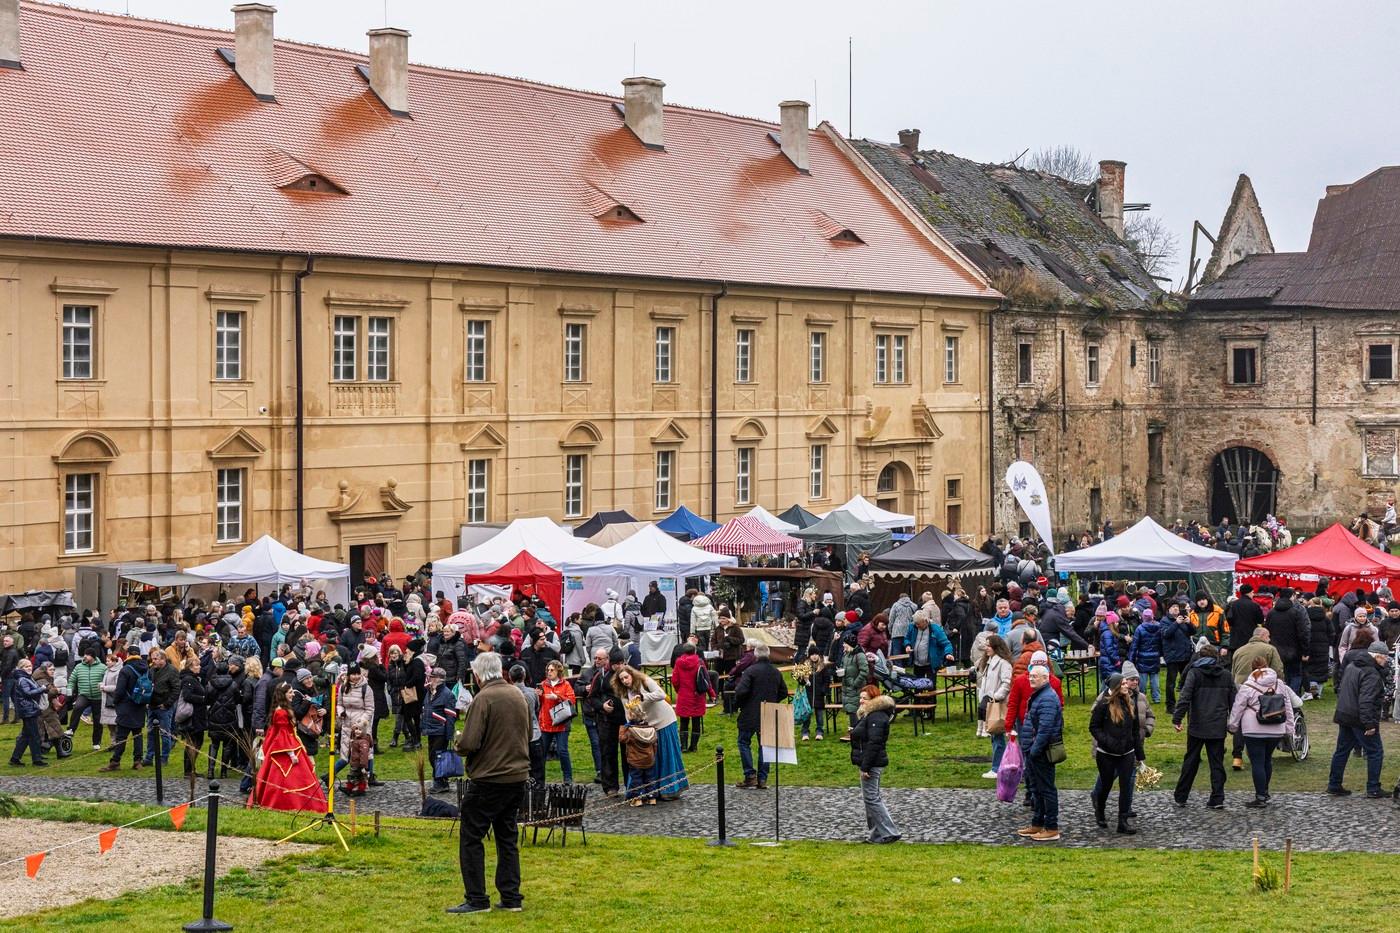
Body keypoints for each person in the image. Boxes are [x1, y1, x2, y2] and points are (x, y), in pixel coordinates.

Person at [449, 652, 529, 915]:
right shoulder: (517, 694)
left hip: (489, 778)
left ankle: (476, 899)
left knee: (471, 836)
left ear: (477, 674)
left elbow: (470, 742)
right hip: (516, 776)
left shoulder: (483, 698)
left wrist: (458, 741)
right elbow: (528, 732)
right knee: (507, 837)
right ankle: (511, 897)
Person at [1171, 639, 1236, 809]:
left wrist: (1177, 718)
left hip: (1197, 724)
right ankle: (1217, 797)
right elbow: (1234, 702)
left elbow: (1185, 697)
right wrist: (1233, 722)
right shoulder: (1226, 675)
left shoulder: (1195, 673)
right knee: (1217, 763)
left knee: (1191, 761)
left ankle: (1181, 795)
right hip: (1217, 725)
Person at [1227, 655, 1297, 808]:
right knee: (1267, 760)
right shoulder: (1279, 684)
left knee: (1257, 762)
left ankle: (1260, 797)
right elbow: (1288, 707)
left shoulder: (1248, 686)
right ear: (1267, 666)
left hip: (1253, 729)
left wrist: (1232, 726)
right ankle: (1264, 792)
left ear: (1252, 668)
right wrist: (1289, 728)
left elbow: (1238, 707)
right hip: (1276, 728)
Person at [249, 681, 328, 812]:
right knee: (286, 779)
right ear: (283, 694)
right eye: (290, 692)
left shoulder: (283, 709)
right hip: (286, 749)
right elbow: (282, 734)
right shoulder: (281, 712)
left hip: (291, 743)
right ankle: (286, 804)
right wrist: (291, 754)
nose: (293, 694)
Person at [613, 664, 688, 800]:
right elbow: (627, 713)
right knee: (650, 758)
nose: (625, 681)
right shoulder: (624, 694)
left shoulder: (645, 681)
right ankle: (649, 791)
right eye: (621, 679)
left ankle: (668, 790)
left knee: (666, 755)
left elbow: (661, 694)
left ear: (632, 675)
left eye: (626, 677)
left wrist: (643, 697)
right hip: (648, 727)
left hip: (664, 721)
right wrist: (631, 725)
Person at [1327, 641, 1389, 798]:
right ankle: (1373, 787)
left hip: (1345, 713)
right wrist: (1369, 724)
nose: (1386, 661)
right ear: (1378, 656)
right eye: (1385, 657)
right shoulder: (1372, 674)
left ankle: (1334, 784)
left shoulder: (1352, 665)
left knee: (1342, 750)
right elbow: (1366, 700)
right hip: (1360, 718)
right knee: (1375, 751)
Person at [1089, 674, 1143, 834]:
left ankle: (1123, 821)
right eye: (1123, 683)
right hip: (1106, 753)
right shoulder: (1103, 704)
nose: (1127, 685)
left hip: (1127, 752)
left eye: (1126, 683)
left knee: (1126, 786)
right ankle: (1100, 810)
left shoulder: (1130, 703)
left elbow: (1135, 730)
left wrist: (1140, 754)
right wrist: (1107, 741)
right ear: (1117, 687)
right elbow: (1094, 727)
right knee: (1105, 785)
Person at [733, 644, 789, 790]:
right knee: (765, 746)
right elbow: (783, 692)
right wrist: (772, 701)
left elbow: (741, 691)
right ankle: (762, 778)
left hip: (749, 713)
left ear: (756, 655)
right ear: (768, 654)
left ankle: (750, 775)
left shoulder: (750, 671)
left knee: (743, 742)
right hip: (768, 711)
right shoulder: (776, 672)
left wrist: (739, 704)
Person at [1017, 665, 1062, 842]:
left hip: (1041, 752)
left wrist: (1034, 751)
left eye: (1035, 676)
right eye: (1030, 675)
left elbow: (1045, 729)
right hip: (1033, 750)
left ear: (1045, 678)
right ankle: (1037, 823)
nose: (1031, 678)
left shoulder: (1047, 698)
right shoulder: (1039, 695)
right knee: (1036, 789)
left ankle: (1051, 827)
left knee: (1047, 789)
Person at [850, 684, 899, 844]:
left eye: (864, 698)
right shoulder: (870, 715)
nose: (861, 701)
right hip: (869, 761)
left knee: (872, 798)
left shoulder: (875, 717)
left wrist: (866, 766)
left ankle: (890, 832)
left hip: (872, 763)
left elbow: (874, 743)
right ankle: (876, 834)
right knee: (870, 799)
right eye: (860, 697)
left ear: (873, 699)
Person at [99, 650, 149, 771]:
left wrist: (116, 702)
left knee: (121, 736)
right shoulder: (145, 668)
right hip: (140, 705)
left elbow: (120, 690)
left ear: (128, 655)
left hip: (126, 706)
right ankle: (137, 761)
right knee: (137, 735)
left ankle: (115, 761)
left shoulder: (125, 670)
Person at [975, 635, 1012, 778]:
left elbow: (1006, 683)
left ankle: (997, 768)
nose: (986, 648)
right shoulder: (988, 662)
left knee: (998, 737)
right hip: (988, 703)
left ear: (996, 647)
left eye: (989, 645)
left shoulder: (1003, 664)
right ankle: (999, 766)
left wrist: (996, 696)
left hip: (997, 703)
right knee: (994, 736)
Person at [537, 660, 575, 783]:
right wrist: (538, 696)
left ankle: (567, 777)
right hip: (546, 723)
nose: (549, 672)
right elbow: (538, 704)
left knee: (562, 751)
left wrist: (558, 697)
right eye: (548, 670)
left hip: (561, 723)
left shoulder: (566, 684)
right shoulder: (542, 684)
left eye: (552, 670)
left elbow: (572, 701)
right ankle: (539, 779)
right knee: (542, 752)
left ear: (558, 671)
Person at [424, 666, 461, 793]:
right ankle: (442, 781)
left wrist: (449, 735)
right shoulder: (430, 691)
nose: (429, 679)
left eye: (431, 677)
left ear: (438, 679)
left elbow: (451, 716)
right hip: (431, 730)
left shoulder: (447, 694)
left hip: (441, 731)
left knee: (437, 758)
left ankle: (439, 783)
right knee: (432, 757)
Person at [141, 647, 180, 768]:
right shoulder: (152, 670)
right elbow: (148, 685)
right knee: (150, 732)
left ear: (163, 659)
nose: (153, 661)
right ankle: (149, 757)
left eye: (155, 659)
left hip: (164, 707)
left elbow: (176, 689)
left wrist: (167, 704)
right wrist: (146, 699)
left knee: (165, 733)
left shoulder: (172, 671)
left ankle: (164, 757)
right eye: (152, 659)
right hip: (152, 705)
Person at [670, 644, 713, 752]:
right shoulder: (700, 662)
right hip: (697, 695)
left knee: (684, 721)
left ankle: (684, 746)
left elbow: (675, 680)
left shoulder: (678, 662)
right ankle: (694, 746)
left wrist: (678, 690)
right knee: (696, 720)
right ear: (695, 651)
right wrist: (711, 693)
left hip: (684, 695)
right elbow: (706, 678)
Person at [508, 664, 544, 786]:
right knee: (538, 773)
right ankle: (538, 795)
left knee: (518, 773)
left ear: (510, 677)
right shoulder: (532, 692)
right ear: (524, 676)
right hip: (533, 735)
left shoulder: (507, 694)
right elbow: (537, 708)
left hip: (516, 737)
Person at [7, 660, 47, 767]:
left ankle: (15, 759)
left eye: (30, 665)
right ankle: (37, 760)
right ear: (21, 668)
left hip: (28, 710)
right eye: (26, 666)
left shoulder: (26, 678)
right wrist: (41, 689)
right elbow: (28, 693)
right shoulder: (23, 679)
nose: (29, 668)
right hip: (28, 710)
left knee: (25, 736)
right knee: (34, 736)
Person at [66, 645, 106, 751]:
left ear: (93, 656)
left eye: (87, 655)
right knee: (78, 707)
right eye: (84, 654)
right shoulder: (78, 667)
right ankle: (71, 729)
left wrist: (103, 686)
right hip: (84, 695)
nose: (85, 656)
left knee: (98, 720)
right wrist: (69, 690)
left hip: (98, 697)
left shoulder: (102, 667)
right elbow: (72, 680)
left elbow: (107, 680)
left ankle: (96, 742)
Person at [1159, 602, 1196, 711]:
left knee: (1186, 681)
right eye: (1173, 607)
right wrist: (1176, 623)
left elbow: (1193, 632)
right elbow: (1166, 634)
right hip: (1172, 656)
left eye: (1177, 607)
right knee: (1171, 682)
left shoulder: (1183, 619)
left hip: (1185, 655)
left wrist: (1189, 623)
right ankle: (1170, 705)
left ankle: (1186, 703)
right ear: (1169, 609)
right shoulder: (1165, 620)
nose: (1175, 609)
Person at [1128, 610, 1163, 703]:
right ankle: (1156, 698)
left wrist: (1131, 659)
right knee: (1154, 678)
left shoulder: (1139, 629)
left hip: (1142, 657)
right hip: (1155, 656)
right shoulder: (1159, 627)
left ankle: (1141, 696)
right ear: (1152, 616)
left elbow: (1134, 646)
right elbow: (1161, 642)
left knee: (1142, 679)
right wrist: (1161, 654)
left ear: (1143, 617)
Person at [839, 632, 869, 741]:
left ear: (849, 644)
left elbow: (864, 671)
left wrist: (855, 683)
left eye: (845, 643)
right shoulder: (846, 654)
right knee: (851, 710)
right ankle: (854, 731)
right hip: (847, 686)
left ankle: (854, 733)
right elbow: (843, 666)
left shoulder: (859, 655)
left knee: (854, 710)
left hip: (856, 688)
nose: (843, 645)